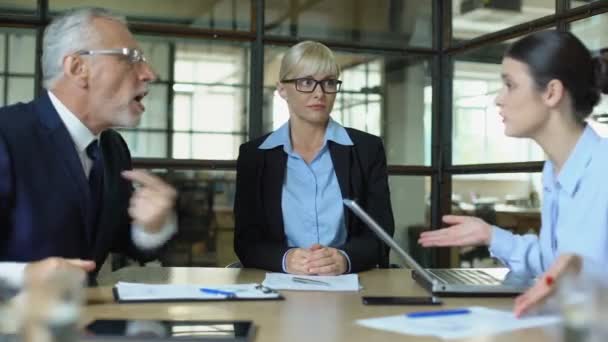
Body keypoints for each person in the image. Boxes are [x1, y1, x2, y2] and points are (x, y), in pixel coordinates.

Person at [418, 30, 608, 313]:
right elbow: (553, 264)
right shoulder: (553, 170)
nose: (498, 99)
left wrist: (578, 275)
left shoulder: (603, 167)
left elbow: (581, 275)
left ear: (552, 93)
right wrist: (492, 236)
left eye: (510, 85)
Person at [0, 7, 177, 286]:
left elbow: (122, 242)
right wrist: (25, 276)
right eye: (131, 58)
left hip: (86, 323)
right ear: (77, 68)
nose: (149, 73)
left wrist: (151, 227)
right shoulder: (6, 135)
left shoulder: (113, 148)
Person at [233, 41, 394, 275]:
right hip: (281, 286)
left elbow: (380, 232)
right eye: (306, 82)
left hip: (349, 286)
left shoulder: (366, 149)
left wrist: (344, 259)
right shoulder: (255, 155)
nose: (319, 93)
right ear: (282, 89)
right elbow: (246, 241)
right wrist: (285, 259)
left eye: (328, 82)